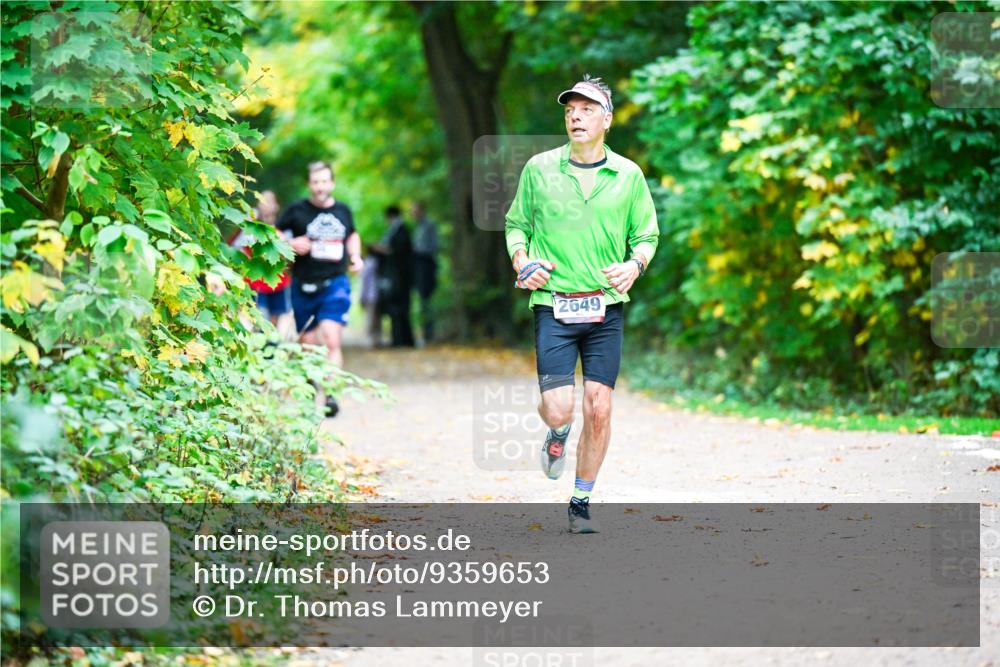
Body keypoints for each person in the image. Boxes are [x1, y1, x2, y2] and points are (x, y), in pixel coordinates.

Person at [504, 75, 659, 533]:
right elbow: (516, 225)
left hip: (605, 307)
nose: (576, 115)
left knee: (599, 407)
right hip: (553, 304)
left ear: (607, 120)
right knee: (560, 409)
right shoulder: (539, 169)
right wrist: (521, 258)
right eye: (571, 108)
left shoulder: (628, 175)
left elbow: (647, 235)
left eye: (588, 108)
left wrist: (635, 265)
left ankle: (580, 502)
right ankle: (556, 435)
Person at [276, 161, 364, 417]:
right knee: (308, 343)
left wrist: (356, 257)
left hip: (334, 283)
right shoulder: (296, 210)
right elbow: (275, 234)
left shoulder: (343, 210)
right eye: (316, 182)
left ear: (332, 183)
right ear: (309, 185)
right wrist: (290, 243)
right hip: (303, 284)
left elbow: (352, 235)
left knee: (331, 337)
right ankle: (310, 386)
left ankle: (332, 392)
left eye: (325, 181)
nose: (320, 186)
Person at [372, 205, 415, 348]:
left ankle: (401, 340)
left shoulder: (400, 230)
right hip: (399, 276)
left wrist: (381, 249)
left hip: (399, 277)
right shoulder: (399, 230)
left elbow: (398, 251)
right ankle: (401, 339)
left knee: (398, 308)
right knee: (399, 308)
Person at [410, 201, 439, 344]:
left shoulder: (429, 225)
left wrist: (417, 251)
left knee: (427, 300)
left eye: (414, 210)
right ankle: (426, 334)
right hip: (419, 266)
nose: (412, 213)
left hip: (427, 266)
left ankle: (430, 335)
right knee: (422, 300)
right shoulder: (418, 227)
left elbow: (433, 246)